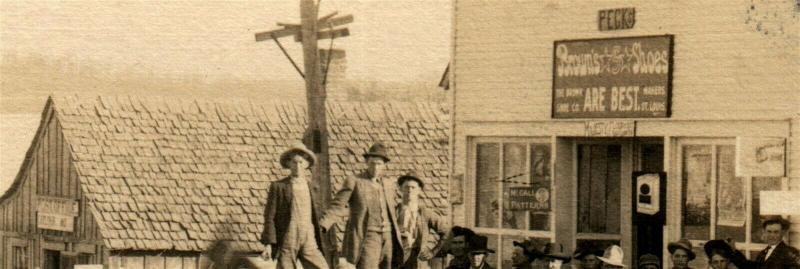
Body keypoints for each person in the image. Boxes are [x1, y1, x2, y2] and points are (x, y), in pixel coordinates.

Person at [319, 143, 402, 269]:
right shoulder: (355, 181)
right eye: (372, 163)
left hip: (388, 237)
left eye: (379, 164)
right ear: (366, 162)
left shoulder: (388, 184)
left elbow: (393, 211)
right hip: (368, 236)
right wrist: (324, 224)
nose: (375, 167)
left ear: (384, 165)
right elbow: (338, 205)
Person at [260, 143, 329, 269]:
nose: (297, 166)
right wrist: (268, 244)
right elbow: (269, 216)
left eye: (301, 162)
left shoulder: (312, 188)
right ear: (288, 164)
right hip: (288, 237)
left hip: (308, 237)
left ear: (306, 164)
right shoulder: (278, 187)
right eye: (294, 162)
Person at [395, 171, 450, 269]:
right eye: (406, 187)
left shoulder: (425, 213)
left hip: (417, 260)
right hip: (396, 260)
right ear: (400, 189)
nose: (409, 190)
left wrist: (432, 252)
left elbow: (447, 232)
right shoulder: (394, 212)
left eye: (413, 187)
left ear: (419, 190)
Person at [729, 216, 800, 269]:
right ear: (764, 232)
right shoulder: (763, 253)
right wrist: (733, 251)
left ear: (782, 233)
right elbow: (751, 266)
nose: (772, 236)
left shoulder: (791, 253)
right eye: (769, 232)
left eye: (776, 232)